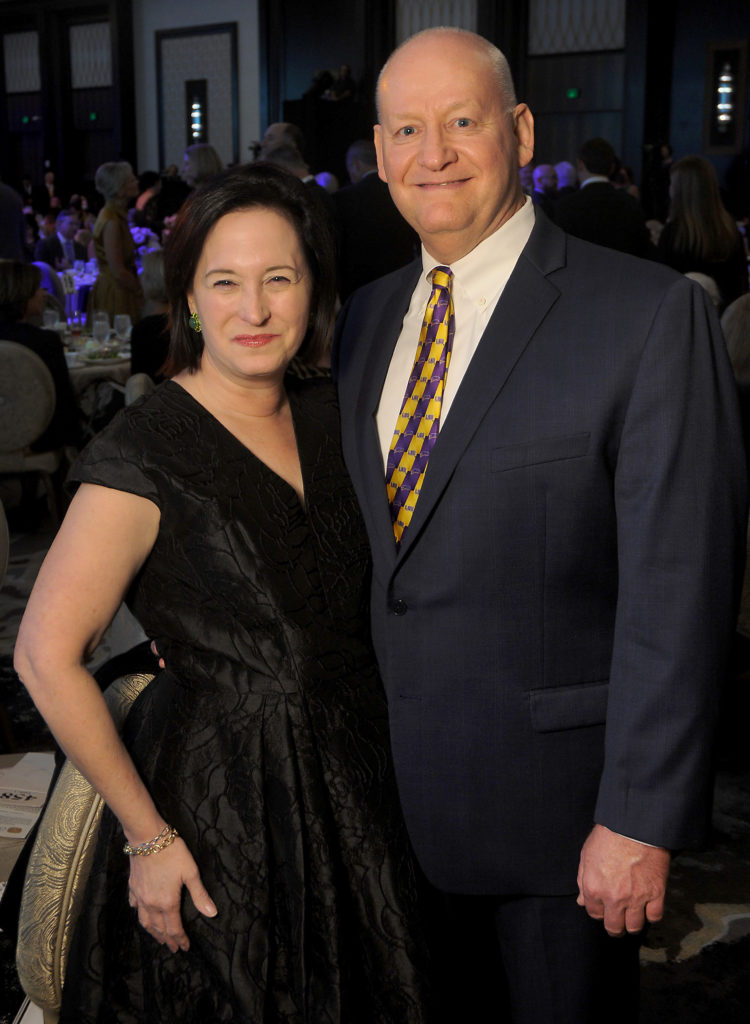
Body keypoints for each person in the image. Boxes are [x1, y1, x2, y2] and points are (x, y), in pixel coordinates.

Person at [333, 27, 747, 1024]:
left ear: (518, 131)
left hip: (562, 831)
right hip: (390, 813)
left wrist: (639, 816)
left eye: (462, 121)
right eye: (407, 130)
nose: (434, 154)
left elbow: (680, 586)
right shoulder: (365, 318)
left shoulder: (646, 315)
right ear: (380, 152)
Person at [14, 163, 434, 1023]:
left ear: (313, 288)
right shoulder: (147, 447)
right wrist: (148, 838)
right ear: (190, 300)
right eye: (225, 282)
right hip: (226, 806)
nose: (255, 309)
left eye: (279, 278)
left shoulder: (337, 411)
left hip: (366, 779)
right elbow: (44, 657)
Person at [0, 260, 81, 451]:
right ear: (22, 294)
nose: (43, 293)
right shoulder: (45, 342)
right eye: (37, 288)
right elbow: (64, 406)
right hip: (41, 441)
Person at [656, 155, 749, 313]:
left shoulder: (672, 235)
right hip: (723, 321)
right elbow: (740, 290)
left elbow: (660, 287)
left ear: (679, 190)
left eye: (671, 184)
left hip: (681, 319)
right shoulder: (731, 232)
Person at [333, 139, 418, 301]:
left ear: (355, 165)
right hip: (406, 285)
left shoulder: (342, 199)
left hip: (360, 292)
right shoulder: (405, 193)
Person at [554, 137, 653, 257]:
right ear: (612, 168)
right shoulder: (631, 204)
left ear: (580, 164)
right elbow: (643, 251)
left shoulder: (565, 207)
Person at [89, 161, 143, 323]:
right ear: (120, 189)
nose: (137, 182)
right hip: (115, 292)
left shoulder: (116, 215)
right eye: (132, 180)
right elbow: (118, 270)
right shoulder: (112, 220)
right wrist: (140, 290)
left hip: (118, 287)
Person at [129, 248, 169, 382]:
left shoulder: (143, 329)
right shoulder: (193, 320)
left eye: (144, 274)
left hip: (160, 394)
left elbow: (139, 380)